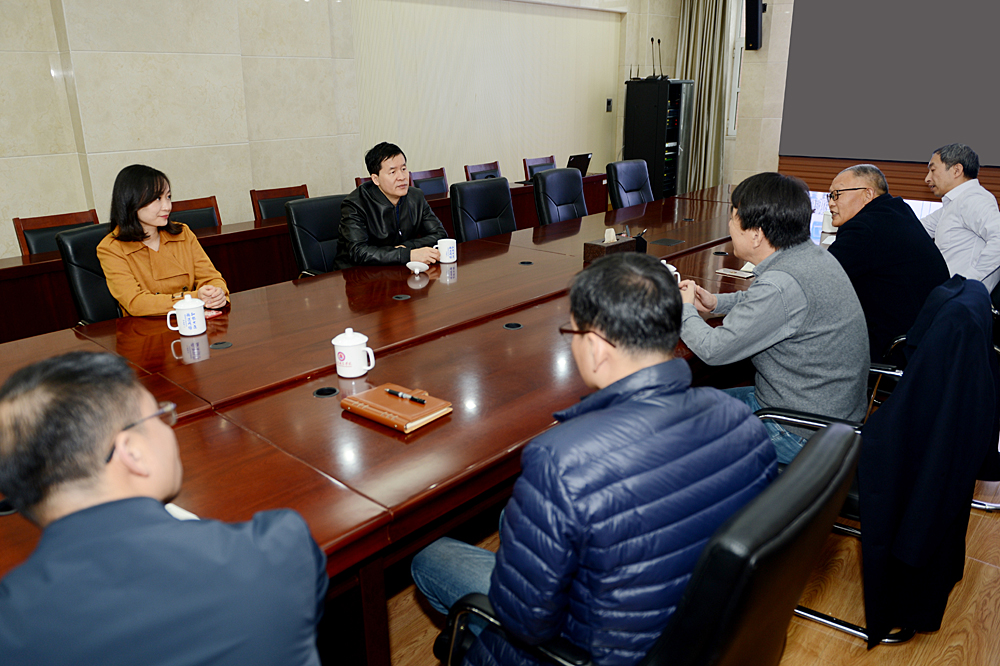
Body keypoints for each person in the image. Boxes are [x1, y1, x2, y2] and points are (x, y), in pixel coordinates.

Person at [411, 253, 777, 666]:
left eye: (574, 332)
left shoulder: (561, 460)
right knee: (521, 522)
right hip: (698, 632)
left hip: (595, 653)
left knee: (430, 558)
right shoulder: (741, 420)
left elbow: (525, 621)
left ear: (597, 347)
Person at [0, 352, 327, 666]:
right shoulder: (273, 549)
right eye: (160, 416)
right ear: (132, 452)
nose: (170, 426)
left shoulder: (10, 625)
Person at [678, 172, 868, 464]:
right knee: (692, 403)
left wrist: (685, 309)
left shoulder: (781, 284)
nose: (729, 226)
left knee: (677, 426)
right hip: (828, 415)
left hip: (797, 429)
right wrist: (716, 303)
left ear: (756, 235)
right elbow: (770, 304)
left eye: (733, 218)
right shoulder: (810, 256)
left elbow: (713, 350)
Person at [826, 164, 949, 360]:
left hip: (891, 345)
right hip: (922, 338)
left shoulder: (864, 228)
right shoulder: (896, 212)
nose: (831, 203)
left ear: (867, 194)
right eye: (830, 196)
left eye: (837, 194)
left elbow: (819, 276)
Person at [97, 164, 229, 316]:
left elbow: (211, 277)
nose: (167, 206)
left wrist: (217, 293)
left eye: (168, 197)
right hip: (145, 327)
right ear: (131, 201)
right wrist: (194, 299)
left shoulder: (182, 232)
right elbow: (136, 303)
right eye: (157, 198)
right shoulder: (111, 248)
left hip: (194, 319)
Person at [336, 142, 448, 269]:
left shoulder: (415, 197)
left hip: (398, 270)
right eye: (393, 172)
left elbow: (440, 234)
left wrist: (406, 248)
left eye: (403, 169)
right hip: (357, 275)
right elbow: (358, 252)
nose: (402, 177)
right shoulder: (355, 205)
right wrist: (407, 254)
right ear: (375, 179)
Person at [921, 143, 1000, 292]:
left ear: (956, 170)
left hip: (961, 297)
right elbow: (916, 229)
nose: (927, 178)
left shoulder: (973, 199)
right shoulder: (953, 204)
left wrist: (966, 280)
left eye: (933, 170)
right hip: (949, 294)